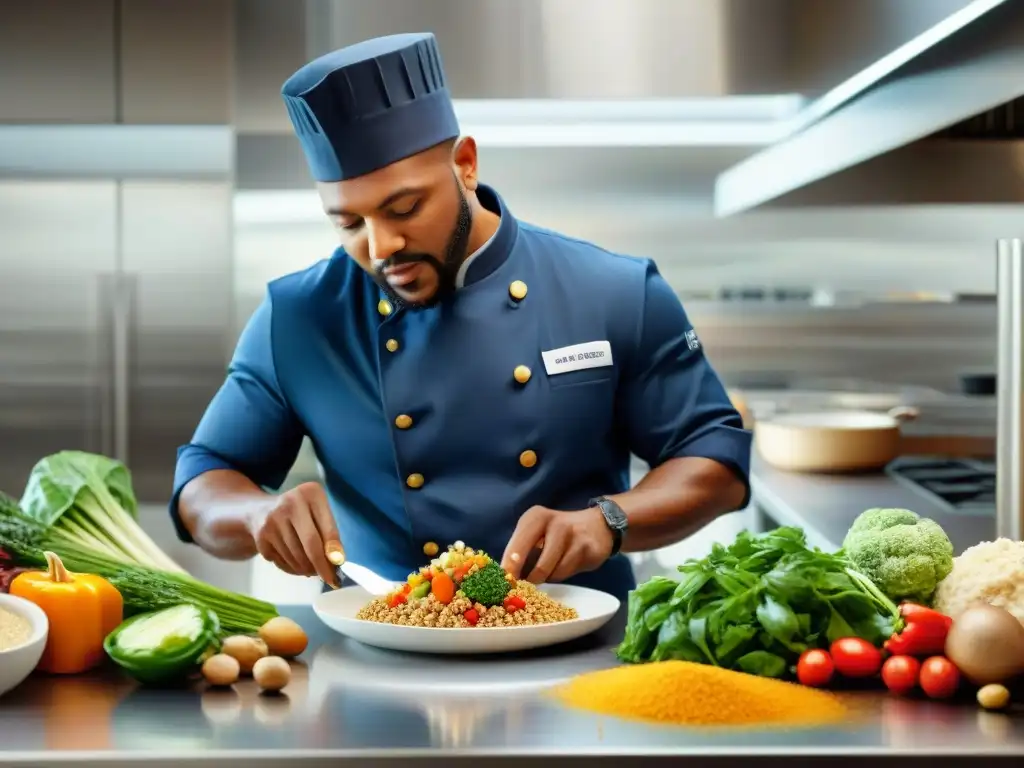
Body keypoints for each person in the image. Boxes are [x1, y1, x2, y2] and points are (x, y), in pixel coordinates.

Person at [170, 32, 752, 604]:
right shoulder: (299, 316)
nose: (381, 246)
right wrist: (256, 514)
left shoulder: (614, 290)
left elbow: (715, 457)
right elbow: (203, 479)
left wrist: (608, 520)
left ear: (465, 165)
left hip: (583, 653)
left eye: (404, 207)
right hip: (383, 651)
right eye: (348, 223)